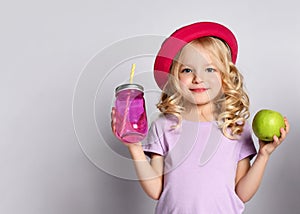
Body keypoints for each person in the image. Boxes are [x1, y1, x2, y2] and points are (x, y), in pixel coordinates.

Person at [111, 21, 290, 213]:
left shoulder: (236, 127)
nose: (198, 78)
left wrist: (263, 155)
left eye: (210, 69)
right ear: (174, 78)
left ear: (225, 76)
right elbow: (156, 190)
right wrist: (135, 148)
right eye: (187, 70)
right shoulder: (164, 126)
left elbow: (242, 193)